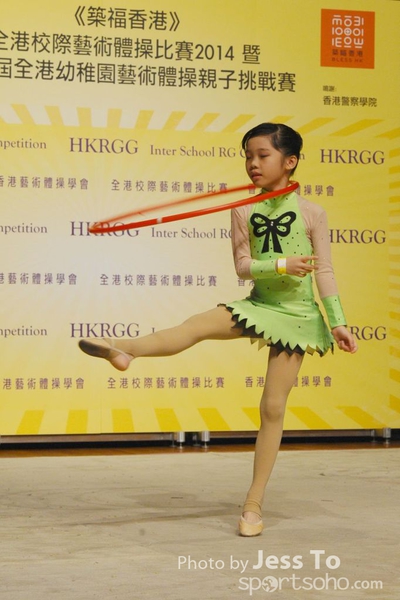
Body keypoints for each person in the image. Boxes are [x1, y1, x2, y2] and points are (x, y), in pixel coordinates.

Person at [79, 123, 358, 537]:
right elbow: (243, 267)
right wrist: (282, 264)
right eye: (248, 156)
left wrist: (338, 322)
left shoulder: (313, 213)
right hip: (260, 304)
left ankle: (253, 505)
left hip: (298, 316)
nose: (253, 164)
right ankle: (124, 349)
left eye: (262, 155)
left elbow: (326, 271)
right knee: (196, 325)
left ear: (290, 161)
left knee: (272, 408)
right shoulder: (243, 209)